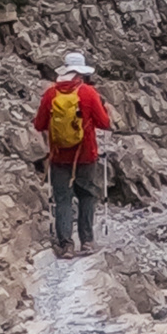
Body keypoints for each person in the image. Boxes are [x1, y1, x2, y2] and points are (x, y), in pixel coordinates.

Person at [34, 50, 110, 252]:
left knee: (62, 200)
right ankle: (86, 241)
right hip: (85, 156)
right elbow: (104, 123)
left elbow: (39, 124)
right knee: (86, 195)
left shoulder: (51, 94)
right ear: (81, 73)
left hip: (59, 156)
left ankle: (66, 245)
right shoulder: (88, 93)